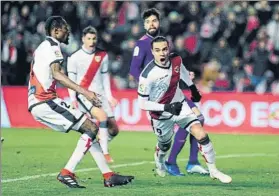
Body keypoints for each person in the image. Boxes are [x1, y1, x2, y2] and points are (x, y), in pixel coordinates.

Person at [28, 16, 134, 188]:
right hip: (45, 100)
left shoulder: (42, 47)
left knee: (89, 131)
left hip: (38, 101)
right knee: (92, 128)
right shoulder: (53, 46)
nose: (68, 32)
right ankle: (67, 172)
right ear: (55, 31)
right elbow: (56, 74)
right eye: (65, 29)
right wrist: (85, 92)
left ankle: (108, 175)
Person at [137, 36, 232, 183]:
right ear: (152, 52)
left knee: (200, 132)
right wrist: (166, 107)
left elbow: (183, 73)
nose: (162, 53)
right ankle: (160, 159)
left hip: (180, 106)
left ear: (168, 49)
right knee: (164, 145)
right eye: (157, 50)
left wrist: (193, 89)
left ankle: (213, 170)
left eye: (164, 49)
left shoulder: (176, 60)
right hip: (161, 115)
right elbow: (142, 104)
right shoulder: (147, 75)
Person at [130, 8, 208, 176]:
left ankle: (191, 162)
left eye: (154, 21)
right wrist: (149, 88)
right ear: (144, 25)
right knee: (169, 135)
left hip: (174, 92)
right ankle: (171, 161)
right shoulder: (142, 44)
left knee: (198, 119)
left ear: (159, 22)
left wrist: (183, 75)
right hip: (157, 98)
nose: (152, 24)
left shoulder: (165, 40)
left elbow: (173, 67)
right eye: (148, 22)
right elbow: (134, 70)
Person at [67, 26, 118, 163]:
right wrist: (73, 98)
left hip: (101, 94)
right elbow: (71, 81)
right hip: (85, 95)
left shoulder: (102, 56)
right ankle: (105, 152)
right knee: (102, 117)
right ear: (83, 39)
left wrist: (109, 96)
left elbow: (105, 77)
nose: (92, 41)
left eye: (94, 38)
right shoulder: (74, 58)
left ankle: (95, 144)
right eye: (89, 38)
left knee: (114, 130)